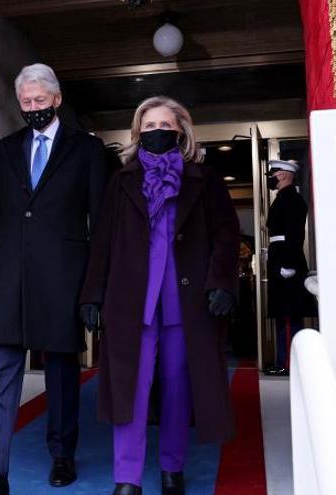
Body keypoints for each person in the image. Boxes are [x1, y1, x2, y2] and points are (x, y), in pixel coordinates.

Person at [0, 63, 107, 495]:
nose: (33, 108)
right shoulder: (4, 150)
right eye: (26, 102)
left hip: (63, 277)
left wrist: (96, 284)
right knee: (2, 370)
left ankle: (62, 455)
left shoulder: (87, 151)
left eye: (40, 100)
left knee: (59, 370)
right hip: (10, 276)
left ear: (57, 99)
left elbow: (101, 220)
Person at [79, 96, 240, 495]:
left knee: (177, 386)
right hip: (130, 302)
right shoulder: (121, 182)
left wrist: (222, 282)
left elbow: (226, 234)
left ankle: (172, 468)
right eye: (148, 127)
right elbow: (103, 241)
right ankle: (127, 478)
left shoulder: (204, 179)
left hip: (185, 305)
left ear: (181, 131)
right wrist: (91, 295)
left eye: (164, 125)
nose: (156, 132)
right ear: (137, 134)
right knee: (129, 388)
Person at [264, 159, 316, 376]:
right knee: (283, 315)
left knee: (288, 316)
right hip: (281, 260)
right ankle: (284, 360)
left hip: (287, 262)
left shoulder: (292, 200)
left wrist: (288, 264)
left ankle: (287, 363)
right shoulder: (284, 198)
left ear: (284, 175)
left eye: (274, 173)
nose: (271, 177)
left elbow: (294, 234)